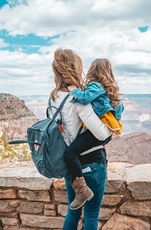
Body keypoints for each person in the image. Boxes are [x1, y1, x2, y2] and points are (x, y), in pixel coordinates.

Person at [50, 48, 112, 230]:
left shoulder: (53, 97)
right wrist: (111, 129)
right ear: (75, 69)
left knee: (73, 212)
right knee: (91, 214)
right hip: (91, 164)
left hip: (71, 167)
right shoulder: (77, 99)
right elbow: (101, 134)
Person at [64, 58, 124, 211]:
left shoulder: (95, 85)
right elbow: (120, 109)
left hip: (98, 131)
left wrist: (73, 89)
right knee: (93, 214)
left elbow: (84, 98)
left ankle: (82, 190)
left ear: (93, 70)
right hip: (107, 130)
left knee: (70, 153)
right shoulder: (109, 89)